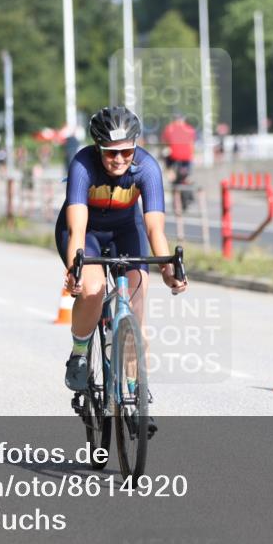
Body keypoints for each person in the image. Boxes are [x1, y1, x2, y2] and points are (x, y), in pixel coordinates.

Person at [55, 107, 187, 426]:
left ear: (135, 147)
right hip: (86, 235)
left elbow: (154, 228)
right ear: (98, 148)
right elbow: (77, 227)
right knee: (93, 288)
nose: (119, 160)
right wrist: (75, 269)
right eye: (110, 153)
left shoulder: (147, 168)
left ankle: (135, 391)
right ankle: (80, 352)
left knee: (137, 310)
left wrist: (169, 270)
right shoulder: (83, 165)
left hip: (127, 232)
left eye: (126, 151)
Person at [160, 115, 196, 210]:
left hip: (174, 157)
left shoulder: (169, 128)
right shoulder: (189, 129)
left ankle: (171, 176)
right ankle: (189, 189)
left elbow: (164, 144)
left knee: (172, 177)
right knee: (187, 177)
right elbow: (192, 144)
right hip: (187, 158)